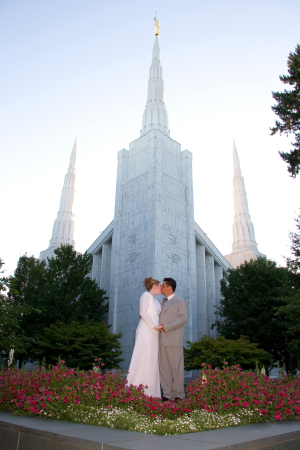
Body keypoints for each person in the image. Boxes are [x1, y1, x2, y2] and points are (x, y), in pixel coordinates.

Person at [126, 277, 162, 397]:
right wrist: (153, 326)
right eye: (160, 286)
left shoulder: (157, 301)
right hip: (146, 330)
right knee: (143, 357)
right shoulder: (145, 295)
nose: (161, 288)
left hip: (155, 333)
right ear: (155, 286)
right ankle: (135, 388)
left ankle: (151, 392)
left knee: (152, 359)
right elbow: (143, 312)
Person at [157, 277, 187, 402]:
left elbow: (183, 318)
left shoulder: (180, 301)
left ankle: (179, 394)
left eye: (163, 285)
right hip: (161, 340)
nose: (161, 288)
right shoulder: (161, 302)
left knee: (177, 369)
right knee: (164, 369)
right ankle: (168, 394)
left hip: (174, 340)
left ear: (169, 287)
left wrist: (166, 327)